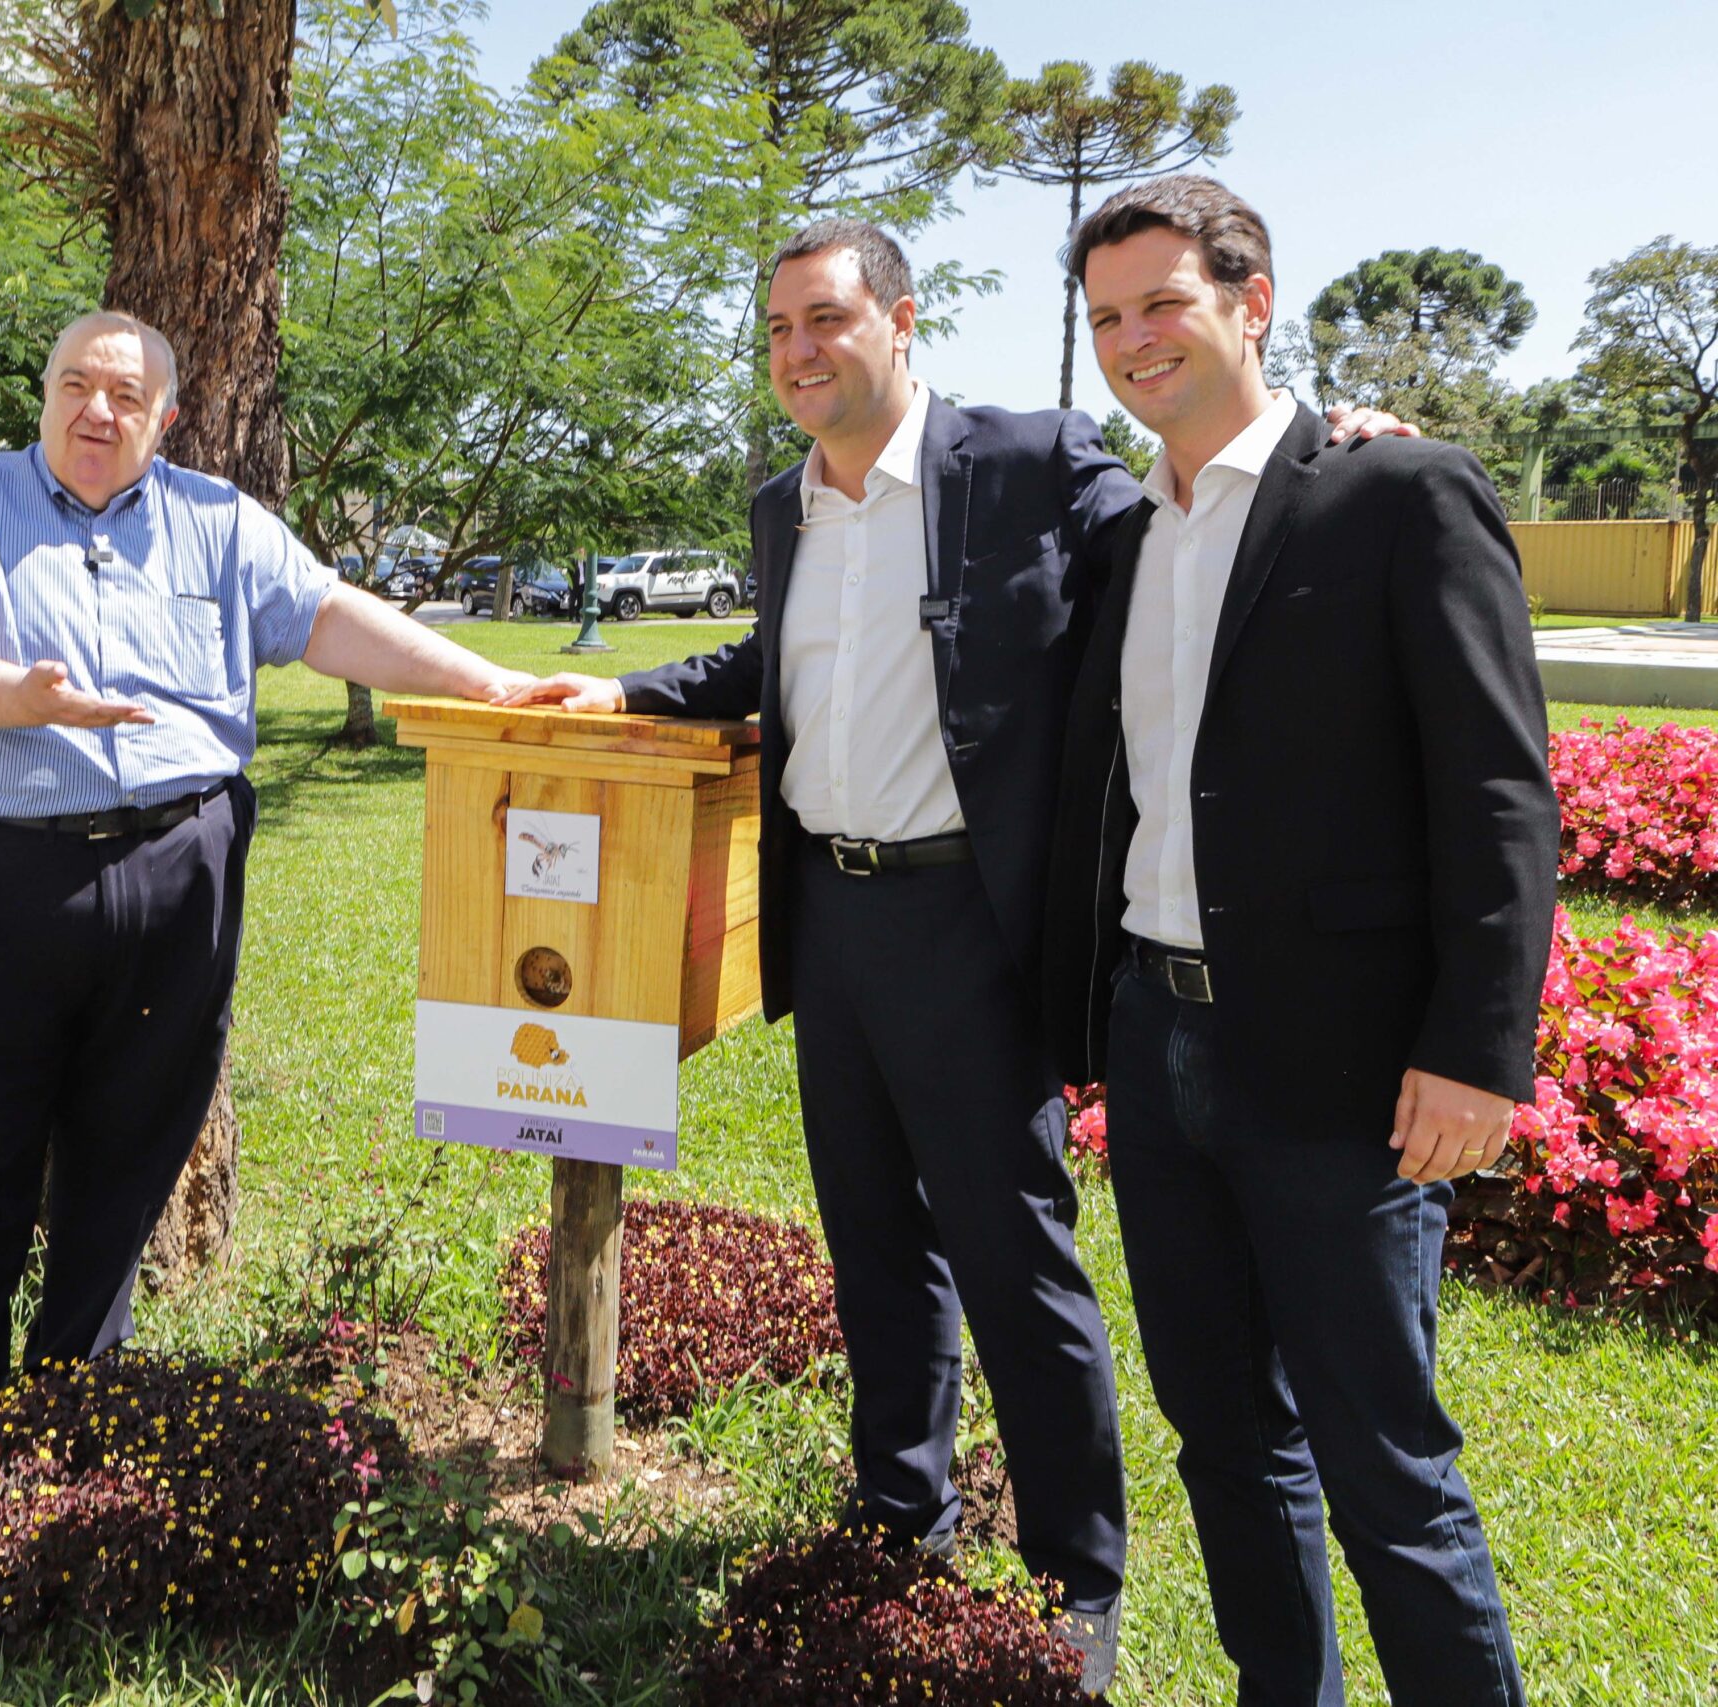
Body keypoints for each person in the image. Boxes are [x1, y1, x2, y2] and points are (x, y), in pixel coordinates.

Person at [507, 218, 1410, 1691]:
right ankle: (898, 1516)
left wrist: (1344, 451)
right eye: (781, 329)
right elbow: (767, 666)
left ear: (901, 321)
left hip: (975, 930)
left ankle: (1078, 1573)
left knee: (1011, 1254)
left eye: (827, 320)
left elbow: (1211, 520)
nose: (801, 352)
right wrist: (618, 689)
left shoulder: (1036, 460)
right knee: (872, 1246)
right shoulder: (781, 506)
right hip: (836, 925)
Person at [0, 309, 531, 1511]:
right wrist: (18, 697)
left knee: (128, 1144)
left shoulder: (219, 522)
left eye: (125, 393)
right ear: (44, 394)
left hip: (176, 869)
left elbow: (329, 619)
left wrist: (488, 681)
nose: (96, 411)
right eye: (75, 384)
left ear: (165, 416)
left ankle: (74, 1393)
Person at [1043, 175, 1551, 1706]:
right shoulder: (1129, 537)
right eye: (1109, 317)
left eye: (1166, 303)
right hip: (1160, 1033)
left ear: (1252, 302)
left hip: (1342, 1068)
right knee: (1224, 1435)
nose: (1137, 341)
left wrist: (1477, 1051)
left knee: (1384, 1457)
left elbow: (1499, 787)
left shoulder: (1398, 496)